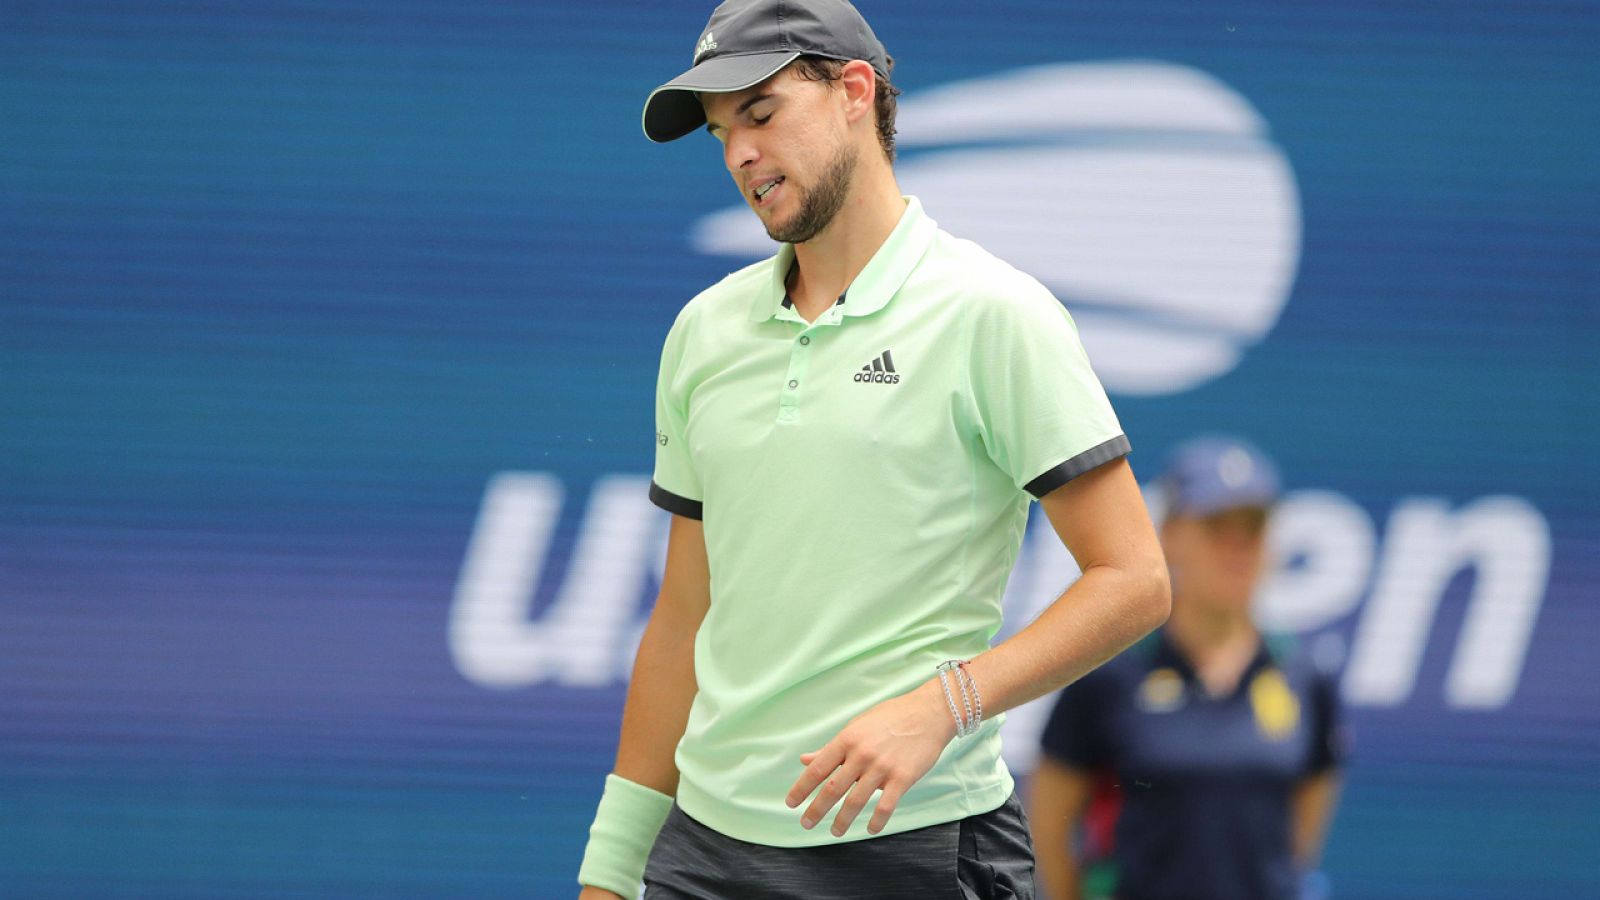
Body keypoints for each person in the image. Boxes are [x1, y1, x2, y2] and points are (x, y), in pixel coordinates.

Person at [576, 2, 1171, 897]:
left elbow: (1134, 579)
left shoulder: (992, 312)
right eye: (721, 132)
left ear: (855, 92)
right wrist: (613, 867)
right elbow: (682, 618)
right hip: (703, 853)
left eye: (763, 113)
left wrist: (944, 705)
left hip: (917, 844)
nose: (739, 153)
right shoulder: (703, 332)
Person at [1029, 436, 1346, 900]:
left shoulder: (1304, 677)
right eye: (1217, 528)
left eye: (1253, 529)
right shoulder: (1111, 676)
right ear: (1170, 535)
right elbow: (1050, 829)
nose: (1237, 549)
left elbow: (1301, 833)